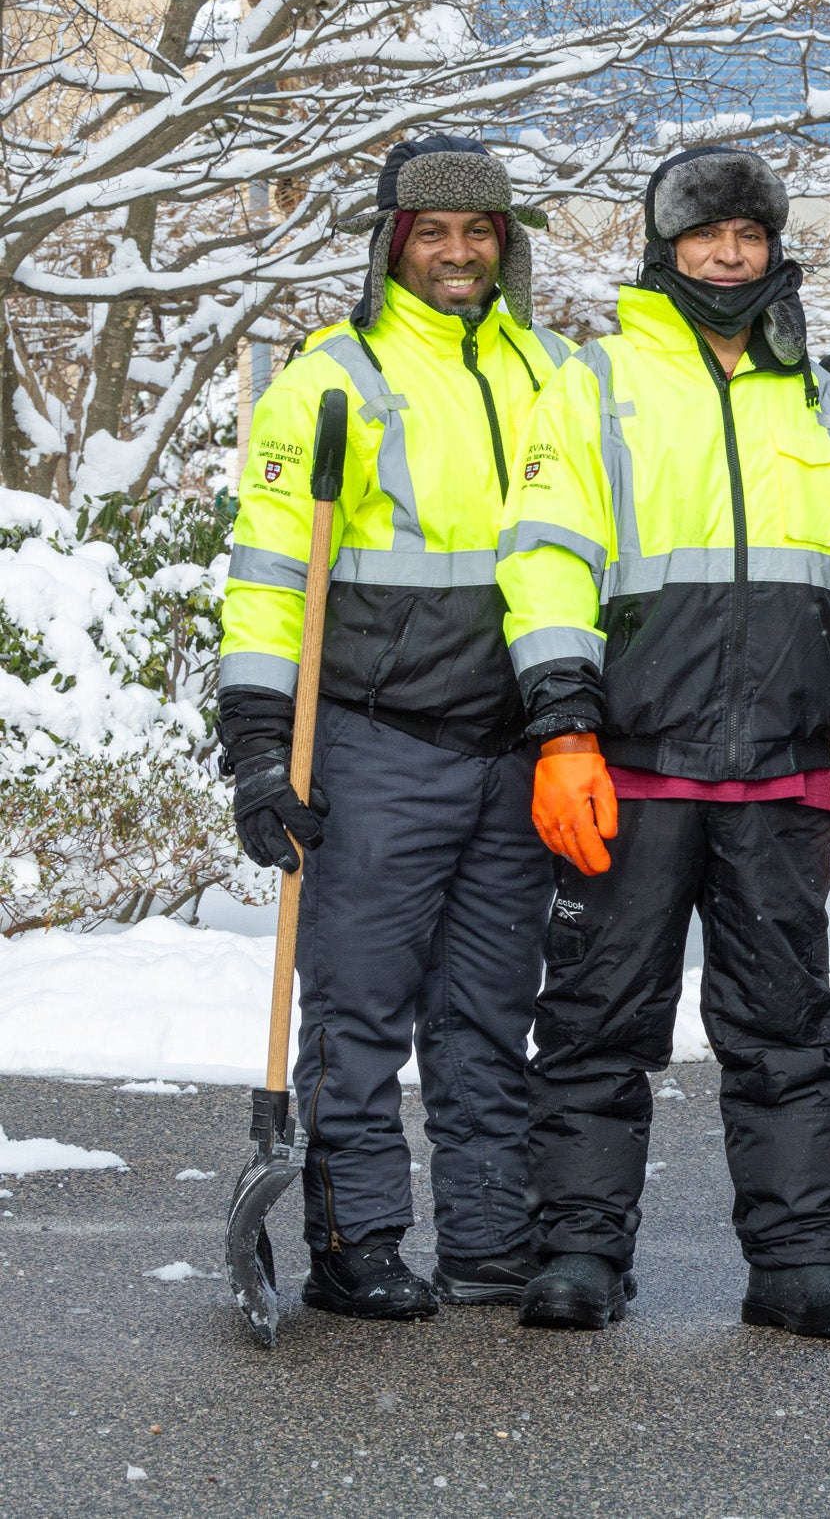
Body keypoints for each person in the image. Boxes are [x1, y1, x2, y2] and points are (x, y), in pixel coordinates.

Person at [494, 146, 830, 1339]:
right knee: (594, 1022)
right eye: (704, 232)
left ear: (774, 248)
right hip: (627, 769)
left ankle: (797, 1259)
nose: (729, 253)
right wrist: (565, 729)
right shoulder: (595, 385)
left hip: (780, 770)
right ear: (660, 244)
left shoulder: (826, 403)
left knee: (785, 1028)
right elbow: (546, 562)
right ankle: (576, 1249)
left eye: (748, 233)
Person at [219, 135, 570, 1319]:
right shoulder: (331, 380)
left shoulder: (553, 373)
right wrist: (261, 749)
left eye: (479, 231)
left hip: (514, 747)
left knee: (486, 1008)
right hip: (376, 740)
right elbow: (271, 577)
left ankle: (486, 1238)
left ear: (505, 244)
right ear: (391, 243)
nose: (459, 252)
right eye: (434, 231)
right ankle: (355, 1236)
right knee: (360, 1004)